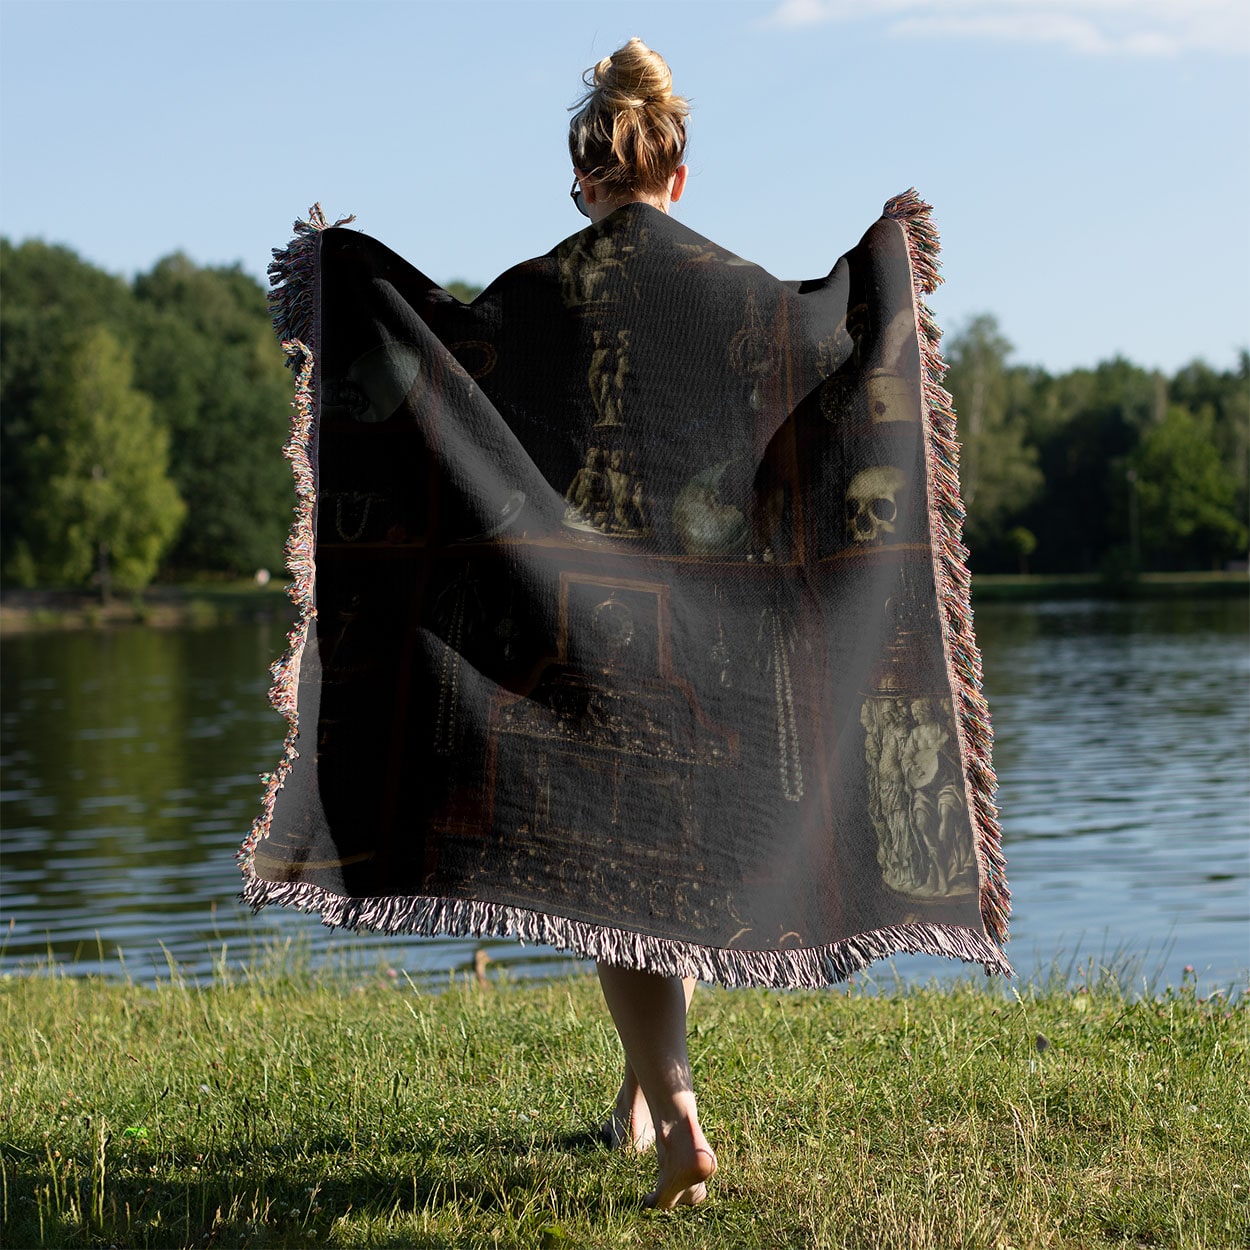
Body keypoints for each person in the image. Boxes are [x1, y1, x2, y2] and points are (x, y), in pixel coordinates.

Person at [565, 36, 717, 1212]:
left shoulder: (548, 289)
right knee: (660, 873)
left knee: (615, 887)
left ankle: (677, 1118)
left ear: (588, 180)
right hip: (714, 631)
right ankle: (632, 1099)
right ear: (675, 173)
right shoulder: (732, 288)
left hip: (594, 626)